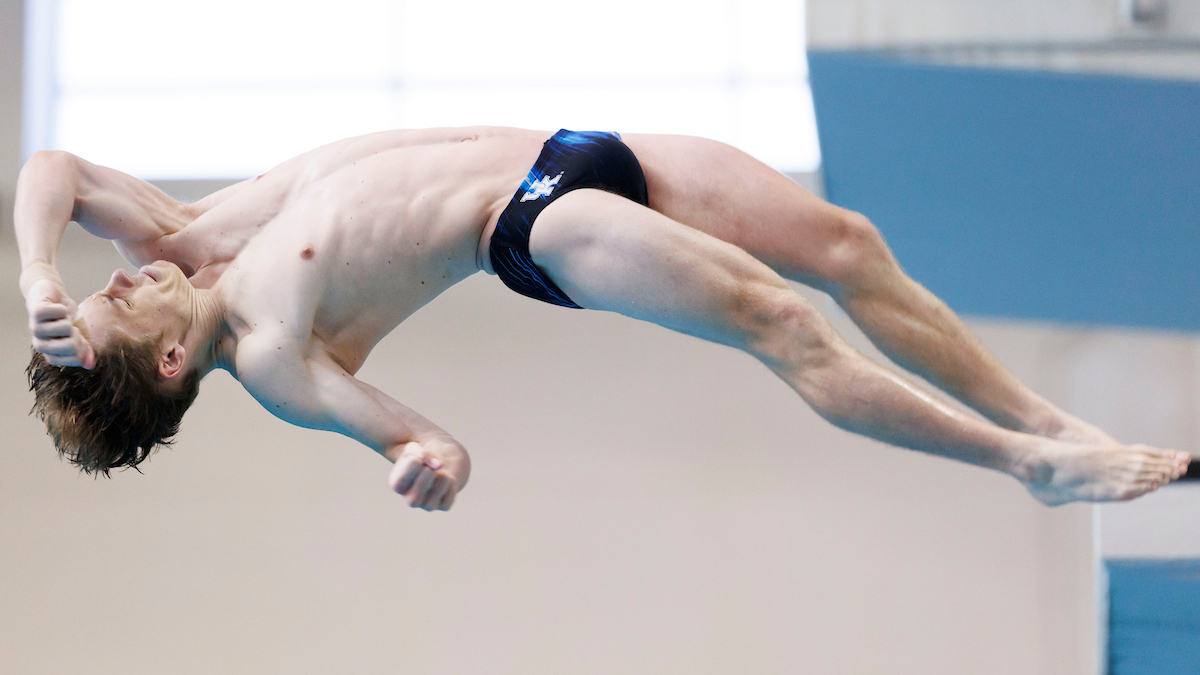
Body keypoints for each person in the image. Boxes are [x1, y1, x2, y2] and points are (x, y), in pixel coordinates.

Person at [16, 127, 1190, 511]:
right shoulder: (276, 359)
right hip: (530, 226)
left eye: (95, 289)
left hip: (568, 146)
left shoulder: (178, 234)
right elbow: (428, 443)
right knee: (784, 323)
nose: (110, 282)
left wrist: (35, 281)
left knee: (848, 247)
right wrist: (429, 467)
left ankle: (1052, 422)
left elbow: (50, 168)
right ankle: (1028, 464)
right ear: (173, 361)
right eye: (113, 310)